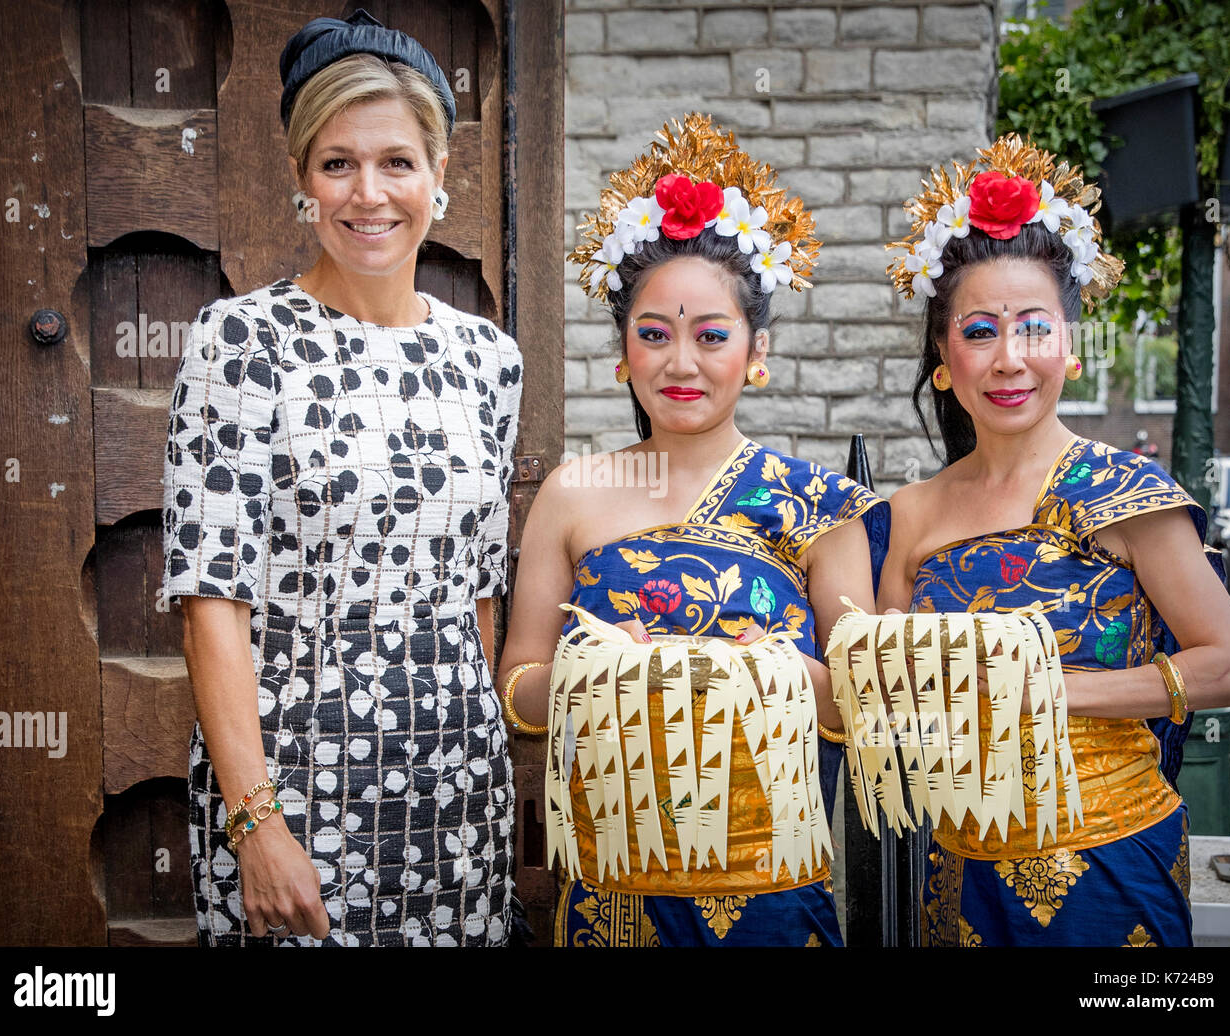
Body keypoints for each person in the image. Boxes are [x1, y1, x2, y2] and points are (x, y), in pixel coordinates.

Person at [160, 10, 522, 947]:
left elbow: (480, 592)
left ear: (442, 176)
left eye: (398, 162)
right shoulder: (239, 343)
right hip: (299, 794)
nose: (370, 194)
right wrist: (255, 824)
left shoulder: (488, 359)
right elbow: (212, 602)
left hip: (456, 794)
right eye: (338, 164)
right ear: (301, 180)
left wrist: (479, 774)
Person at [495, 114, 889, 946]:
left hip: (772, 887)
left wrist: (766, 670)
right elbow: (519, 692)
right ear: (623, 352)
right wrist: (589, 672)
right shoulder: (575, 492)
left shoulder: (818, 503)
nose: (682, 364)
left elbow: (863, 709)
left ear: (756, 347)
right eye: (654, 335)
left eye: (712, 336)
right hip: (614, 890)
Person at [876, 134, 1230, 946]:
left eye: (1033, 328)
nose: (1008, 359)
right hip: (959, 867)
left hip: (1112, 865)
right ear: (943, 358)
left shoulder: (1127, 493)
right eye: (979, 331)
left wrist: (1045, 690)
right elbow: (883, 694)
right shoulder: (910, 513)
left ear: (1071, 347)